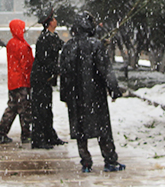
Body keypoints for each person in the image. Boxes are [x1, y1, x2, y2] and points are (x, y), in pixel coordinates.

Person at [59, 12, 125, 173]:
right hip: (95, 96)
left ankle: (86, 162)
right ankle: (110, 160)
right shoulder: (96, 45)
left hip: (75, 96)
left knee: (80, 130)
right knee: (103, 128)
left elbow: (64, 73)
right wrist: (113, 89)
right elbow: (105, 70)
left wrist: (65, 95)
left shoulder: (68, 46)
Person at [31, 9, 66, 149]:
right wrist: (58, 70)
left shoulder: (53, 36)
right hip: (40, 79)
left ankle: (49, 136)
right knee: (40, 110)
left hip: (46, 79)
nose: (56, 20)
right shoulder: (44, 39)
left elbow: (65, 47)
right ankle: (38, 139)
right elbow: (44, 60)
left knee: (47, 108)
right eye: (54, 19)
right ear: (50, 23)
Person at [0, 19, 34, 144]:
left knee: (12, 107)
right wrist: (30, 79)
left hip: (13, 81)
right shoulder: (22, 46)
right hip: (22, 81)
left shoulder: (11, 43)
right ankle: (26, 134)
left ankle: (1, 132)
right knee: (25, 109)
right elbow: (27, 65)